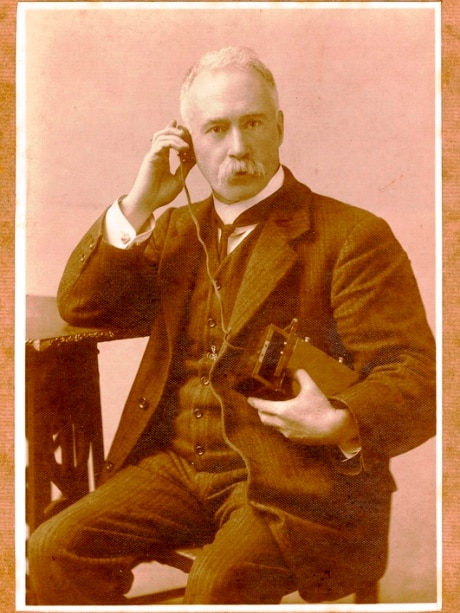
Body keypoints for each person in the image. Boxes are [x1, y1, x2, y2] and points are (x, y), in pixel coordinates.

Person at [28, 46, 436, 605]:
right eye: (216, 129)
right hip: (178, 467)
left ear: (280, 127)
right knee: (55, 546)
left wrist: (339, 420)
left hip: (297, 481)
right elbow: (82, 305)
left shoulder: (351, 235)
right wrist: (141, 200)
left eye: (253, 123)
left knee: (218, 581)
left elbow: (416, 375)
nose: (238, 148)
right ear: (187, 144)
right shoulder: (175, 229)